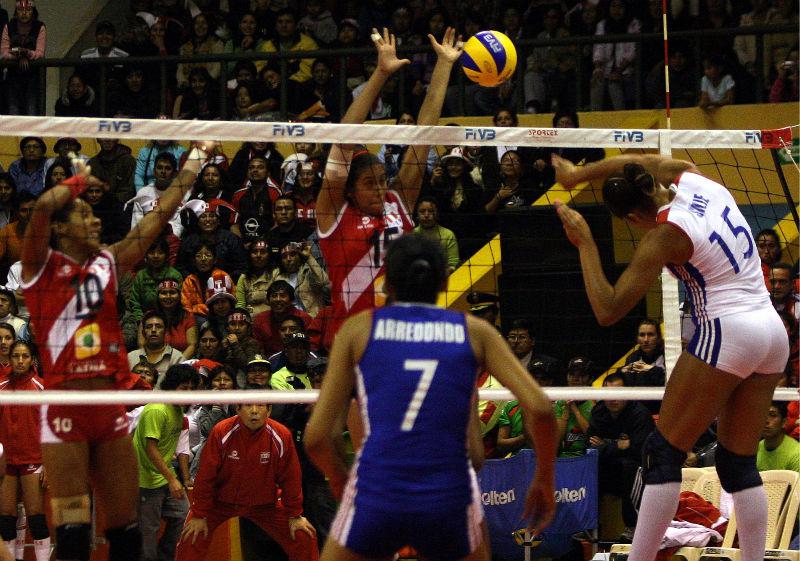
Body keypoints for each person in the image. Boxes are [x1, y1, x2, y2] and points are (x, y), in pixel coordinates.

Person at [554, 151, 790, 560]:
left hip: (728, 332)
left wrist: (585, 243)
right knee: (737, 463)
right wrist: (578, 175)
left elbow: (608, 309)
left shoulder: (665, 234)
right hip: (771, 331)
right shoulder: (693, 179)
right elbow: (638, 158)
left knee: (661, 453)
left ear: (632, 218)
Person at [305, 234, 557, 561]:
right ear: (445, 282)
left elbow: (316, 438)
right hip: (448, 498)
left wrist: (342, 481)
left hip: (377, 494)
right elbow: (541, 409)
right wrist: (544, 478)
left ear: (387, 284)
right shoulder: (475, 331)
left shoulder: (358, 330)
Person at [19, 142, 210, 561]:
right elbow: (40, 211)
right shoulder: (39, 268)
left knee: (125, 533)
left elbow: (161, 213)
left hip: (109, 409)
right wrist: (77, 181)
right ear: (61, 229)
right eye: (84, 215)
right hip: (65, 408)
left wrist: (198, 156)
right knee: (73, 534)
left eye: (93, 214)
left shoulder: (108, 262)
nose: (94, 221)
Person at [317, 27, 461, 334]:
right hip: (356, 334)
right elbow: (343, 138)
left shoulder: (398, 200)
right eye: (370, 183)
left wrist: (444, 64)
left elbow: (424, 133)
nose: (381, 189)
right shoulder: (333, 214)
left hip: (404, 329)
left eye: (383, 179)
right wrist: (381, 73)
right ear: (350, 190)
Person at [176, 402, 318, 561]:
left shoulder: (281, 435)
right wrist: (199, 514)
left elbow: (290, 477)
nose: (254, 411)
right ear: (237, 409)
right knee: (191, 535)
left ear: (269, 410)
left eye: (260, 406)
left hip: (265, 505)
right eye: (248, 405)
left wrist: (295, 514)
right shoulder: (221, 431)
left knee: (303, 535)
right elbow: (205, 476)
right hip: (220, 502)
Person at [133, 363, 198, 561]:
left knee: (183, 514)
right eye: (184, 388)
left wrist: (184, 478)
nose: (188, 393)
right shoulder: (157, 409)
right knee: (148, 531)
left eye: (191, 389)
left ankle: (165, 556)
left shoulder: (177, 411)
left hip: (163, 476)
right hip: (145, 480)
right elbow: (150, 448)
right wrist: (172, 479)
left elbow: (179, 448)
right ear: (171, 387)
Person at [587, 374, 654, 541]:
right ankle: (589, 526)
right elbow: (591, 446)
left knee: (630, 466)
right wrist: (619, 445)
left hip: (638, 470)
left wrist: (607, 445)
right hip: (609, 469)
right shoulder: (599, 412)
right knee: (588, 464)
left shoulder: (640, 414)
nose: (613, 398)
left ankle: (633, 526)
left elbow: (640, 450)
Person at [0, 341, 49, 561]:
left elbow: (51, 427)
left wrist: (49, 462)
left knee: (36, 516)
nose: (20, 361)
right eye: (16, 356)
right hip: (6, 462)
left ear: (32, 360)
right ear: (9, 359)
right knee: (6, 518)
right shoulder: (1, 387)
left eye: (25, 356)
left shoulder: (41, 387)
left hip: (33, 459)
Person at [127, 310, 184, 387]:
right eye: (149, 327)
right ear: (143, 332)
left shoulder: (177, 358)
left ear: (165, 331)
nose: (153, 330)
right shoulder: (130, 357)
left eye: (158, 326)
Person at [757, 401, 800, 472]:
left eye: (772, 415)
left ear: (784, 422)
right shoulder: (756, 448)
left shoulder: (796, 454)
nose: (766, 420)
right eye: (762, 414)